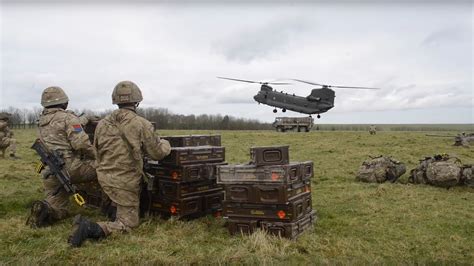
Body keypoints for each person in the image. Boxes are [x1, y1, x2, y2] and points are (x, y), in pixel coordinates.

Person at [69, 81, 171, 247]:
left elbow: (96, 150)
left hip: (103, 176)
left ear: (116, 101)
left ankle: (113, 208)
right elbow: (157, 153)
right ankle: (91, 228)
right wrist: (166, 144)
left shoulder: (102, 124)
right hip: (124, 181)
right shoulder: (141, 123)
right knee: (128, 224)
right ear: (137, 101)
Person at [26, 86, 97, 228]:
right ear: (64, 102)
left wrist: (83, 119)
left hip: (51, 172)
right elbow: (82, 144)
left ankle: (45, 212)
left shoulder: (41, 121)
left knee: (59, 209)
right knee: (105, 166)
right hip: (71, 169)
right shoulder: (69, 118)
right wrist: (98, 156)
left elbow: (66, 124)